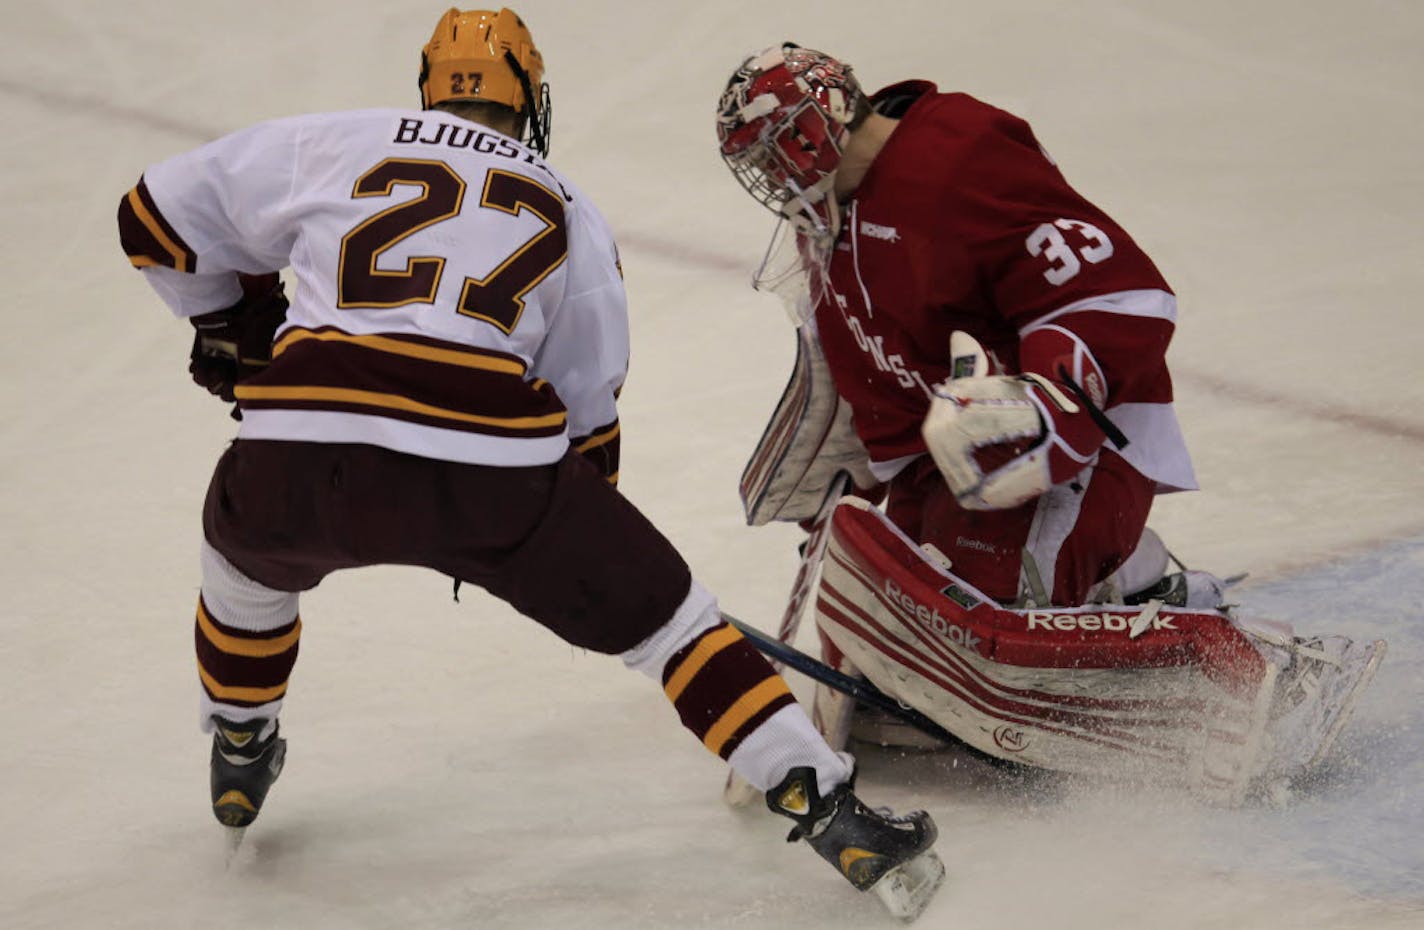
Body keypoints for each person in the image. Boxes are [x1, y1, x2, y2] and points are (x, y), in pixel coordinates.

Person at [116, 11, 943, 919]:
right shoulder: (566, 203)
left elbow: (150, 218)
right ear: (527, 97)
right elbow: (588, 408)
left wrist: (227, 328)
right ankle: (833, 811)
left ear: (431, 85)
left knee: (241, 570)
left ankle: (240, 744)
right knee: (675, 625)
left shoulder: (331, 139)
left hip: (302, 448)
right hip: (489, 470)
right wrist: (588, 549)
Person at [714, 44, 1385, 801]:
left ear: (811, 135)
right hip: (961, 460)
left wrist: (1043, 404)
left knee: (990, 593)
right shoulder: (831, 215)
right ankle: (966, 670)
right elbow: (865, 362)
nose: (770, 183)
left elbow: (1118, 289)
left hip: (1073, 447)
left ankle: (1189, 616)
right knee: (900, 585)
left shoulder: (955, 159)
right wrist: (859, 467)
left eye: (771, 157)